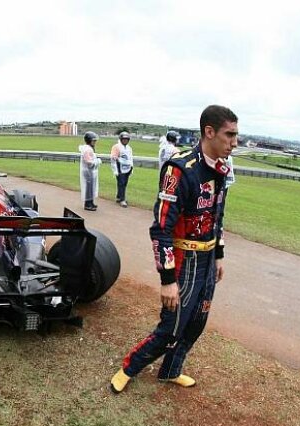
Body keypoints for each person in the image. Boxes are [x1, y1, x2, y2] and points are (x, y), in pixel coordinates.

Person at [110, 104, 238, 393]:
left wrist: (218, 255)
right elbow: (161, 228)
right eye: (230, 135)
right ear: (209, 132)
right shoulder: (180, 169)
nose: (235, 142)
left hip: (207, 258)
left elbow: (217, 215)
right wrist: (167, 280)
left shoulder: (221, 169)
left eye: (236, 135)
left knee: (197, 322)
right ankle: (130, 367)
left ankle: (170, 371)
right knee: (171, 327)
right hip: (184, 261)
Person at [79, 131, 102, 211]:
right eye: (93, 141)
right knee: (89, 189)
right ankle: (88, 204)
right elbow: (89, 162)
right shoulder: (87, 150)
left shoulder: (89, 148)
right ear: (89, 140)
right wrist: (98, 161)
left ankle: (91, 202)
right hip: (88, 172)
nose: (95, 142)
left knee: (92, 188)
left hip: (91, 172)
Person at [110, 131, 134, 207]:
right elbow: (113, 159)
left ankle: (119, 197)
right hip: (120, 168)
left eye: (127, 139)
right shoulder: (116, 147)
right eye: (124, 139)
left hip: (127, 168)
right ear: (120, 139)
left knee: (124, 184)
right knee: (121, 183)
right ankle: (122, 200)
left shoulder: (129, 148)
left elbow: (130, 158)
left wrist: (131, 168)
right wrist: (115, 170)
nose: (125, 141)